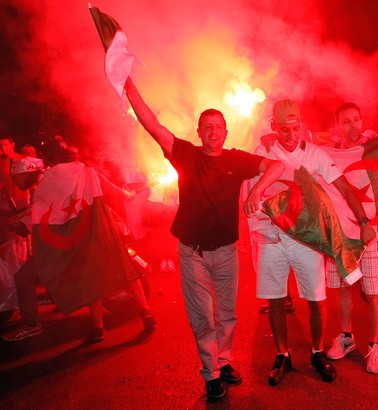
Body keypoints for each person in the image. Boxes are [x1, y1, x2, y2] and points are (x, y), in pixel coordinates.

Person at [124, 77, 284, 402]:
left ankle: (224, 362)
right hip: (192, 252)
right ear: (199, 132)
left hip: (226, 251)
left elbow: (277, 165)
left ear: (226, 132)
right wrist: (128, 87)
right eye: (207, 127)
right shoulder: (185, 154)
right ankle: (211, 374)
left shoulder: (236, 159)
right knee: (203, 315)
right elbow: (152, 125)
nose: (213, 132)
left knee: (227, 314)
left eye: (218, 127)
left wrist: (256, 189)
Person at [249, 99, 376, 386]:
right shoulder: (263, 151)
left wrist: (364, 222)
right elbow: (245, 184)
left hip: (307, 240)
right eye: (283, 130)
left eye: (295, 129)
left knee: (316, 301)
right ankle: (282, 355)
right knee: (276, 300)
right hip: (272, 237)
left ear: (301, 126)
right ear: (273, 128)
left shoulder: (315, 154)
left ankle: (317, 353)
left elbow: (343, 187)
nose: (290, 137)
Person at [1, 142, 155, 343]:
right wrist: (127, 193)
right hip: (102, 232)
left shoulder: (45, 184)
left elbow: (39, 216)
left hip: (73, 242)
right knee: (123, 268)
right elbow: (111, 188)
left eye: (16, 177)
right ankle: (145, 313)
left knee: (87, 279)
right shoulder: (83, 171)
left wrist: (21, 225)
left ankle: (92, 328)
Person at [322, 102, 378, 374]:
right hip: (342, 236)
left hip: (371, 233)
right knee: (344, 288)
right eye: (347, 121)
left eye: (357, 119)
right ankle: (347, 337)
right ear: (337, 127)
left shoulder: (374, 148)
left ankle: (375, 346)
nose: (353, 125)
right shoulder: (327, 155)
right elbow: (295, 152)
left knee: (374, 291)